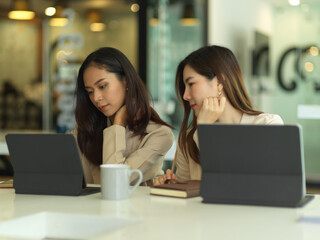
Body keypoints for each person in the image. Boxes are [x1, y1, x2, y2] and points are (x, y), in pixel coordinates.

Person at [154, 45, 283, 185]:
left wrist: (205, 131)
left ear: (219, 82)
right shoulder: (188, 139)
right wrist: (173, 187)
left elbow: (239, 185)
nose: (185, 95)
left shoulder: (267, 125)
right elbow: (188, 198)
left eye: (191, 84)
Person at [75, 47, 174, 186]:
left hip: (137, 208)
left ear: (126, 81)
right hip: (89, 207)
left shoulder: (159, 134)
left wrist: (118, 125)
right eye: (90, 91)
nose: (96, 98)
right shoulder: (87, 128)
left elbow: (114, 182)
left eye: (102, 86)